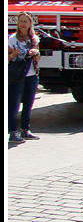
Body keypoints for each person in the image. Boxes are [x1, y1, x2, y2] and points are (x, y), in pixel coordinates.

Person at [8, 12, 42, 144]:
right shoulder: (12, 39)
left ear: (30, 24)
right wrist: (14, 54)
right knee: (14, 104)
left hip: (32, 75)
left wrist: (36, 53)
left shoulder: (34, 39)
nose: (23, 24)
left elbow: (38, 59)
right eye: (21, 21)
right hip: (17, 75)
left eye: (25, 21)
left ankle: (25, 130)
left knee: (28, 104)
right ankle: (12, 132)